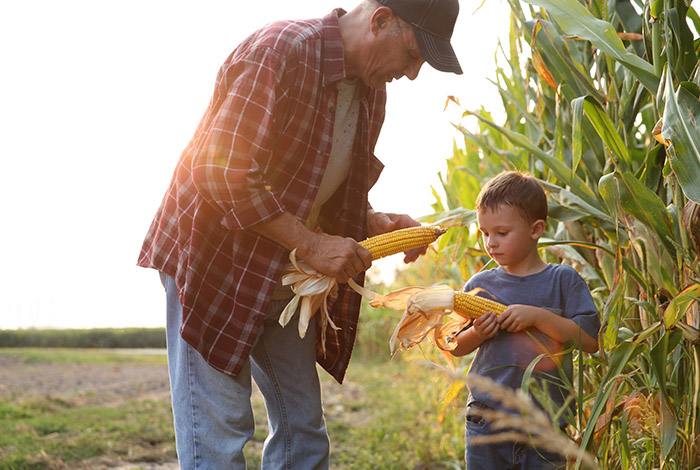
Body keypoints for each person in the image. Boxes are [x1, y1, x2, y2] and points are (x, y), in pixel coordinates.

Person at [137, 0, 463, 468]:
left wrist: (374, 222)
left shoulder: (372, 90)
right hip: (215, 257)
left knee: (303, 428)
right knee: (222, 431)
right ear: (381, 20)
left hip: (285, 270)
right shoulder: (279, 51)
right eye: (413, 55)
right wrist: (310, 244)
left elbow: (317, 187)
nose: (412, 73)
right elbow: (220, 172)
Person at [449, 171, 600, 470]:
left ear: (536, 229)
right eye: (484, 233)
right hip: (487, 418)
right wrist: (478, 333)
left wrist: (538, 317)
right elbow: (455, 344)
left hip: (546, 422)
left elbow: (590, 341)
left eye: (502, 233)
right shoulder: (479, 284)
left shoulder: (562, 280)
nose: (491, 243)